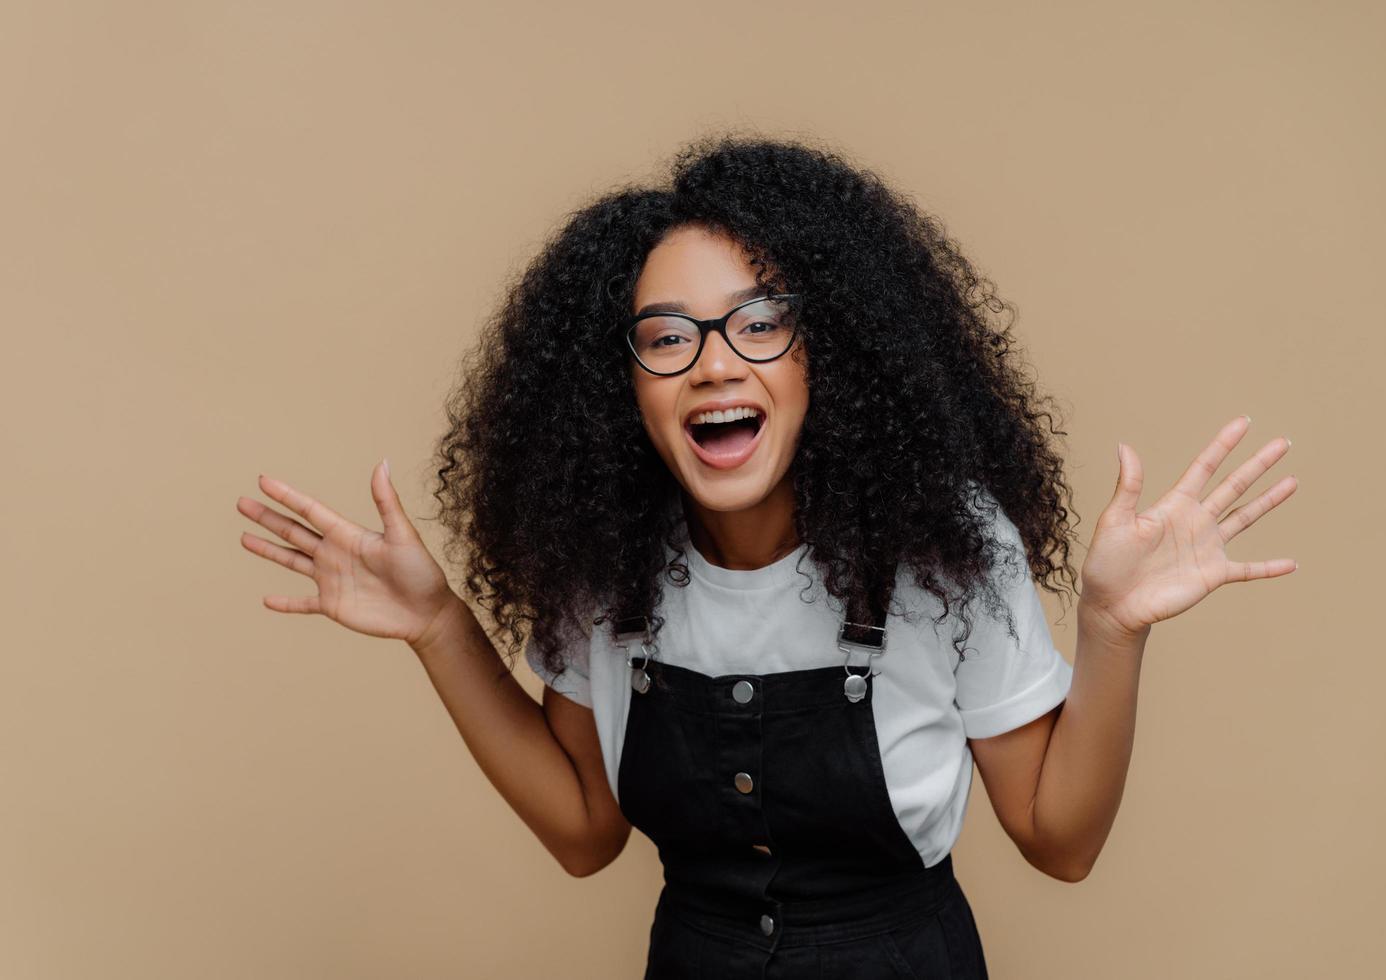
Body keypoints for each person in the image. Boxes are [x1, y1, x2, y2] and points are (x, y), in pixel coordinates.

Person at [235, 134, 1298, 978]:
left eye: (760, 322)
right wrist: (437, 625)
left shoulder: (948, 548)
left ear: (829, 351)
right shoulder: (608, 568)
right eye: (668, 336)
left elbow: (1059, 839)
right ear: (627, 386)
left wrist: (1111, 631)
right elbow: (583, 830)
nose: (712, 364)